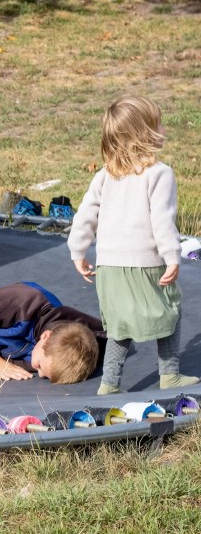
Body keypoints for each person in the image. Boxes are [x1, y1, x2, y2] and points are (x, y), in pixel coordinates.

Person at [68, 96, 199, 395]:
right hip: (146, 263)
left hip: (109, 266)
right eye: (159, 124)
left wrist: (78, 251)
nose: (164, 129)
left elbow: (85, 214)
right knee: (170, 310)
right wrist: (172, 256)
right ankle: (169, 374)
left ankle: (109, 383)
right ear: (144, 134)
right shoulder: (159, 174)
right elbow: (162, 220)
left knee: (120, 324)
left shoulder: (105, 176)